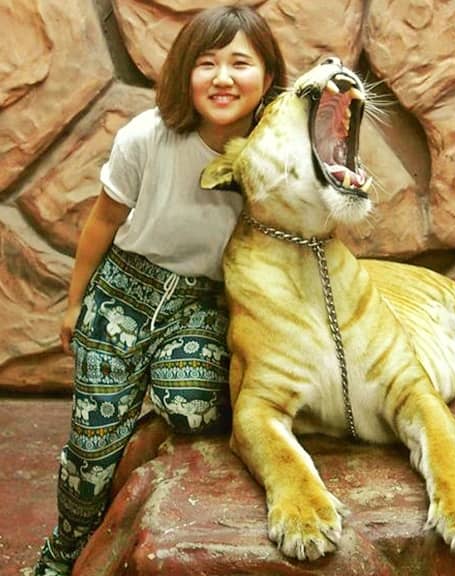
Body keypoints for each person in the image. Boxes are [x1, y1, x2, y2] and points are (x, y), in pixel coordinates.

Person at [33, 6, 286, 575]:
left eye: (240, 64)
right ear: (184, 73)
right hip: (124, 290)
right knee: (91, 451)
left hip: (203, 303)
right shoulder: (146, 136)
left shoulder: (276, 157)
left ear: (267, 79)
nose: (223, 78)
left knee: (195, 409)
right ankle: (63, 552)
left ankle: (142, 431)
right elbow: (101, 222)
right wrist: (76, 302)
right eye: (207, 63)